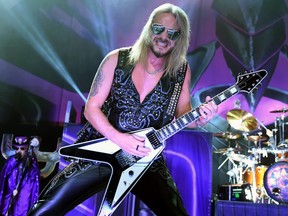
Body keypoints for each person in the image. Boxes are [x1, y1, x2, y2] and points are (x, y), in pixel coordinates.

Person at [28, 3, 218, 216]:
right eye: (158, 29)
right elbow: (92, 109)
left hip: (147, 159)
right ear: (149, 28)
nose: (164, 37)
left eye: (172, 33)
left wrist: (200, 118)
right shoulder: (116, 59)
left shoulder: (181, 71)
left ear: (179, 38)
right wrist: (120, 139)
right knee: (43, 211)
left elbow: (183, 114)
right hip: (100, 152)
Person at [0, 136, 40, 216]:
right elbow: (5, 173)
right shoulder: (11, 161)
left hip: (23, 201)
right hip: (9, 198)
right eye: (17, 148)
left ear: (27, 149)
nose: (19, 151)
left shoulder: (32, 165)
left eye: (22, 149)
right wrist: (14, 160)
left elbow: (34, 186)